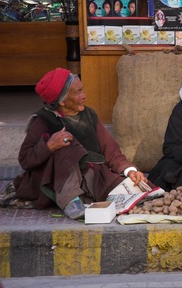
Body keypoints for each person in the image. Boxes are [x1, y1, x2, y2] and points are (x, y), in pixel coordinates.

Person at [10, 68, 147, 220]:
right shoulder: (43, 120)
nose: (84, 96)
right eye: (78, 92)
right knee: (67, 143)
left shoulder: (89, 115)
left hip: (90, 178)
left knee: (141, 189)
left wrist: (129, 170)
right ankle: (71, 201)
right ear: (62, 101)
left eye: (83, 90)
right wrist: (49, 146)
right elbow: (25, 159)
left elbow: (111, 151)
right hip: (56, 182)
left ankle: (85, 197)